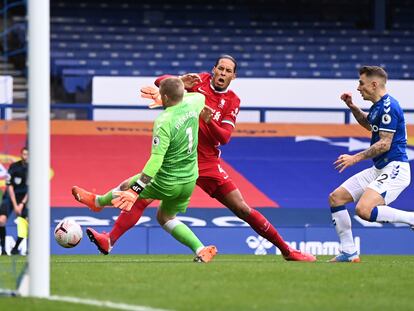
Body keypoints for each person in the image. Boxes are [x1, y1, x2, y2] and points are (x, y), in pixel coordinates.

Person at [74, 55, 316, 262]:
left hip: (208, 163)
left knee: (241, 208)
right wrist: (181, 78)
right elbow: (162, 83)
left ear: (234, 77)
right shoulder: (198, 83)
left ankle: (287, 250)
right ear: (213, 69)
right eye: (219, 68)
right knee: (140, 198)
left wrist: (209, 121)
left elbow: (225, 137)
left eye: (228, 71)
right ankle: (108, 235)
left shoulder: (232, 101)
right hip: (180, 160)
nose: (222, 73)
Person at [73, 77, 217, 263]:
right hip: (189, 179)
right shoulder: (197, 100)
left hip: (167, 180)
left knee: (128, 187)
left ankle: (97, 202)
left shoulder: (164, 121)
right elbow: (188, 95)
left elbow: (156, 160)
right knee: (166, 217)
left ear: (164, 96)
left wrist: (136, 190)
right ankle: (201, 249)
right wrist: (173, 89)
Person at [329, 66, 412, 262]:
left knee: (364, 210)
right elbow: (369, 124)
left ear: (374, 84)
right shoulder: (378, 106)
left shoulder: (389, 107)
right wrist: (353, 107)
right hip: (380, 168)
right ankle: (349, 252)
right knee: (336, 198)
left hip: (395, 168)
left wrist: (354, 158)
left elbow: (384, 144)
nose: (358, 88)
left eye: (361, 83)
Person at [0, 147, 29, 256]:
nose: (25, 156)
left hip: (23, 199)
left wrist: (21, 204)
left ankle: (16, 248)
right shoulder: (14, 167)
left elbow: (31, 189)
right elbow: (9, 186)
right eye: (24, 154)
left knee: (27, 223)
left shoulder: (33, 169)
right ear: (21, 154)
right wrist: (15, 205)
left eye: (27, 154)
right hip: (10, 197)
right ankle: (3, 250)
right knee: (1, 220)